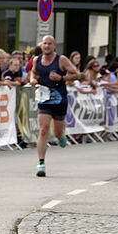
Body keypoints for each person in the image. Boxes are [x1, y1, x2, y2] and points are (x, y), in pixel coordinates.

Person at [29, 35, 79, 177]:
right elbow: (34, 72)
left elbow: (76, 75)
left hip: (59, 100)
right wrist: (32, 79)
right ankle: (41, 164)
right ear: (41, 45)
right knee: (43, 129)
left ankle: (60, 136)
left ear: (54, 46)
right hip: (44, 99)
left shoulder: (61, 60)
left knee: (57, 132)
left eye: (49, 44)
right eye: (44, 43)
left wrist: (61, 78)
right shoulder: (37, 60)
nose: (47, 46)